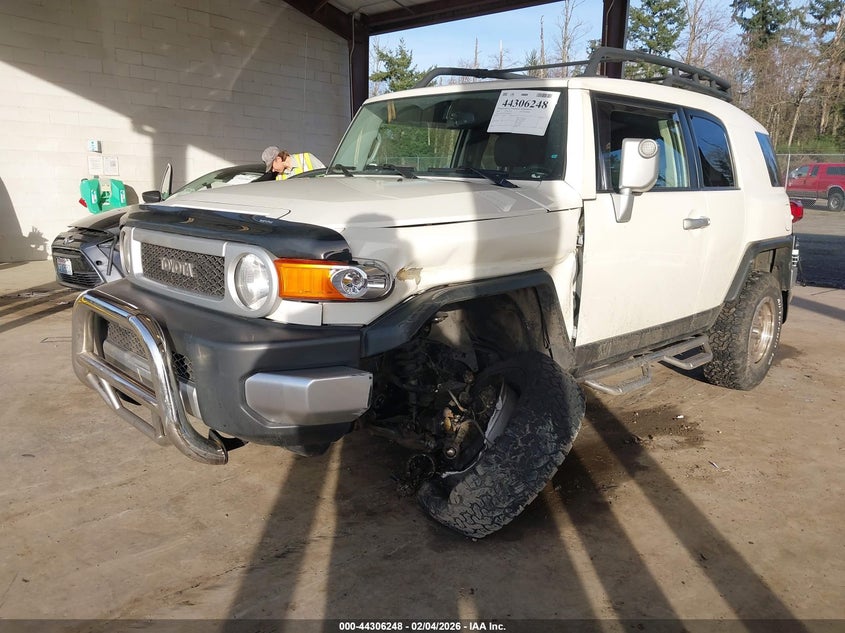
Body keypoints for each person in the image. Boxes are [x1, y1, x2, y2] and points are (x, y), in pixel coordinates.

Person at [255, 146, 323, 181]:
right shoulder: (279, 178)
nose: (273, 170)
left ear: (278, 159)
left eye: (272, 167)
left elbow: (326, 178)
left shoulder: (306, 158)